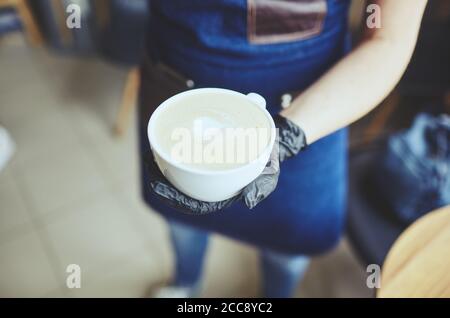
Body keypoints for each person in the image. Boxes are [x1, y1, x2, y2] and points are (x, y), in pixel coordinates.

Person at [138, 0, 427, 297]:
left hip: (313, 106)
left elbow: (388, 39)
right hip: (176, 75)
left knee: (289, 243)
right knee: (182, 217)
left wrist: (285, 136)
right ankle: (186, 283)